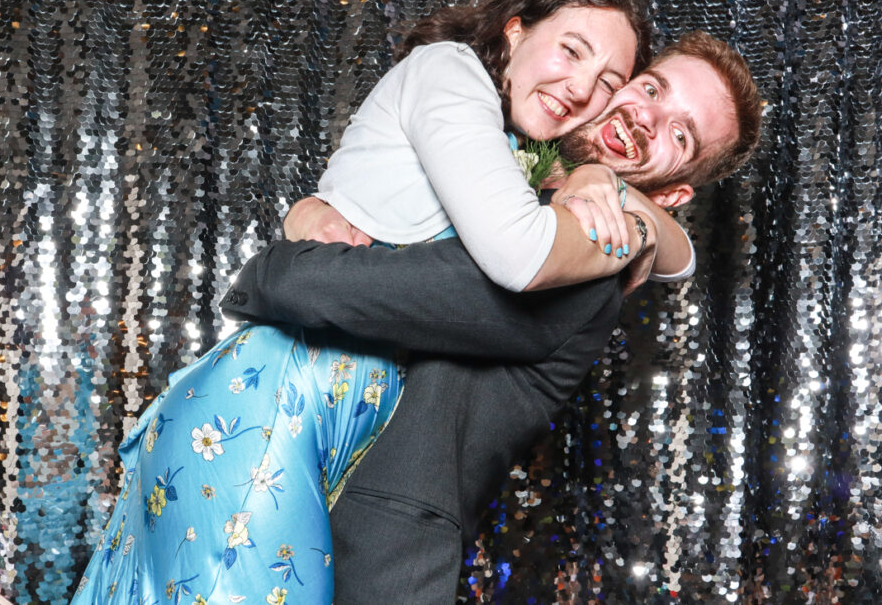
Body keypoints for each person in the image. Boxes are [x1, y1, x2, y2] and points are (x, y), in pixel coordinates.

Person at [0, 0, 681, 605]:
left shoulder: (520, 158)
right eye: (572, 49)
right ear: (516, 28)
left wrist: (621, 196)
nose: (585, 87)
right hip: (278, 403)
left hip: (311, 427)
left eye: (610, 81)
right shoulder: (454, 77)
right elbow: (513, 253)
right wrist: (611, 197)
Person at [231, 29, 763, 604]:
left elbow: (321, 287)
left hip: (369, 566)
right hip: (265, 508)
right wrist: (309, 211)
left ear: (675, 196)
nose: (647, 121)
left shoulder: (587, 262)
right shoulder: (496, 175)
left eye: (680, 133)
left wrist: (269, 272)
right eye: (652, 89)